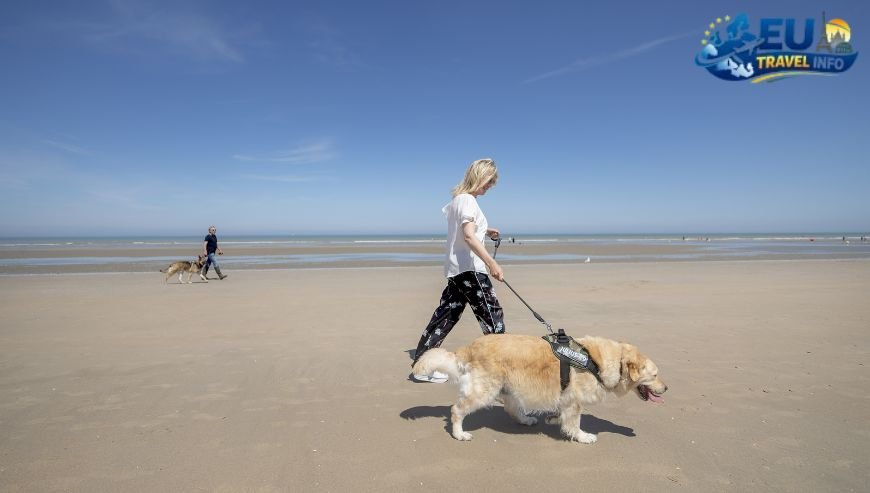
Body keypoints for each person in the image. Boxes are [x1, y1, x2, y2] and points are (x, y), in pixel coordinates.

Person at [411, 158, 505, 383]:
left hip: (457, 269)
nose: (490, 187)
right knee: (493, 317)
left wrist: (486, 229)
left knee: (446, 315)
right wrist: (492, 263)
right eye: (489, 182)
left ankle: (422, 365)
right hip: (471, 271)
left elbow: (462, 228)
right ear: (479, 177)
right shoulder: (468, 200)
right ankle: (502, 370)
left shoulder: (458, 200)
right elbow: (468, 236)